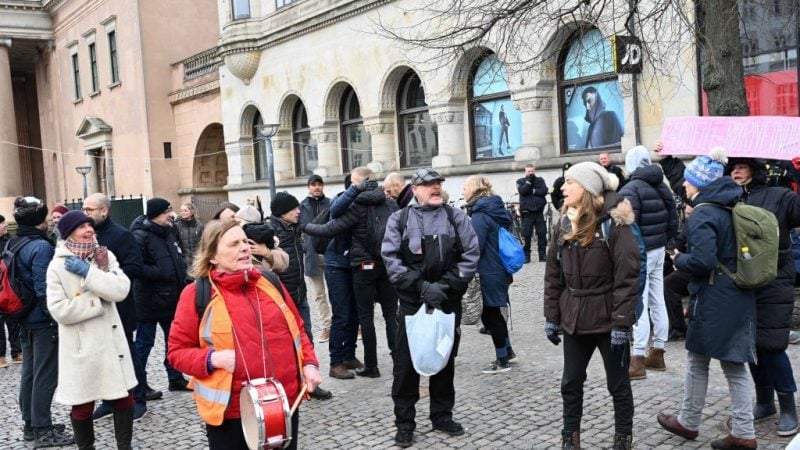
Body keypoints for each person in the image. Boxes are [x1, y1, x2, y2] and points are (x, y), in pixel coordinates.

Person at [167, 220, 321, 450]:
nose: (245, 248)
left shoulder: (270, 282)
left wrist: (310, 364)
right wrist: (212, 359)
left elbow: (298, 329)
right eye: (234, 244)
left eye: (246, 242)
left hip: (283, 404)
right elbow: (176, 353)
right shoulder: (196, 295)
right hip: (231, 414)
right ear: (212, 257)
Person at [657, 148, 758, 450]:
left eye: (688, 181)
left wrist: (679, 259)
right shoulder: (730, 204)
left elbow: (702, 261)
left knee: (711, 363)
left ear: (699, 182)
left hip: (715, 297)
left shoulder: (703, 212)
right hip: (735, 295)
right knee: (718, 362)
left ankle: (732, 430)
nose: (684, 186)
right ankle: (713, 425)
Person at [543, 162, 639, 450]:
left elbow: (628, 275)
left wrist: (622, 322)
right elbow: (553, 274)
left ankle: (623, 439)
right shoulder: (563, 223)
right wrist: (552, 316)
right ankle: (570, 438)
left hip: (608, 318)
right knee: (570, 383)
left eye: (569, 182)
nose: (563, 187)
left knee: (618, 384)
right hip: (574, 317)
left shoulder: (614, 224)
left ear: (586, 189)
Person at [382, 167, 480, 448]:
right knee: (405, 366)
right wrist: (422, 288)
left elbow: (471, 255)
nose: (435, 188)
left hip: (447, 302)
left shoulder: (456, 217)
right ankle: (404, 423)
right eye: (429, 184)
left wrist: (444, 287)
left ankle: (441, 415)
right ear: (415, 189)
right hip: (413, 304)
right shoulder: (398, 220)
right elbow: (391, 259)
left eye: (438, 183)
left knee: (444, 359)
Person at [46, 211, 136, 450]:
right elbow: (59, 310)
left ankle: (124, 446)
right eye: (81, 226)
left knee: (123, 398)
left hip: (111, 343)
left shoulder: (104, 257)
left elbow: (120, 291)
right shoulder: (57, 266)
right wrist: (96, 300)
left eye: (89, 225)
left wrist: (89, 273)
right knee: (83, 405)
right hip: (81, 348)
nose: (89, 230)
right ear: (68, 234)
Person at [726, 157, 800, 436]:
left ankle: (788, 406)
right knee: (751, 344)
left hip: (774, 279)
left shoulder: (780, 195)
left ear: (755, 170)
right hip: (742, 280)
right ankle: (765, 400)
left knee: (772, 345)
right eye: (732, 167)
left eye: (742, 166)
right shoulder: (728, 198)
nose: (736, 171)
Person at [303, 167, 398, 379]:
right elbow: (333, 219)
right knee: (342, 313)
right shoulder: (344, 200)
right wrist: (305, 227)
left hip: (357, 265)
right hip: (338, 263)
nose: (357, 186)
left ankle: (349, 355)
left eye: (360, 183)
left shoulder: (374, 203)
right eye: (354, 184)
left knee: (356, 313)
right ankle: (336, 361)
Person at [81, 193, 152, 421]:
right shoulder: (84, 236)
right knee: (103, 357)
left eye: (90, 209)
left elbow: (134, 267)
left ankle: (139, 399)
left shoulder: (121, 235)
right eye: (84, 209)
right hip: (94, 308)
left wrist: (108, 280)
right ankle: (109, 401)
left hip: (119, 306)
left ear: (104, 211)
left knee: (127, 353)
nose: (86, 213)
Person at [13, 196, 74, 447]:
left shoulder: (15, 243)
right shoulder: (41, 247)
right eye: (47, 218)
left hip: (23, 318)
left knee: (30, 373)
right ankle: (43, 429)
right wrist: (56, 317)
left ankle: (30, 424)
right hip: (41, 321)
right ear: (40, 221)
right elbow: (44, 289)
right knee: (45, 376)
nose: (50, 222)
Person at [619, 145, 678, 379]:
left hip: (640, 251)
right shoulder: (661, 185)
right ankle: (659, 351)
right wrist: (664, 241)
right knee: (657, 298)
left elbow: (626, 226)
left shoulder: (631, 189)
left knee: (639, 302)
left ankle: (638, 358)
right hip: (658, 248)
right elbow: (673, 220)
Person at [268, 192, 332, 400]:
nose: (298, 212)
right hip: (281, 297)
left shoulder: (295, 228)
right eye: (294, 209)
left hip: (299, 293)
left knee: (307, 340)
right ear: (282, 213)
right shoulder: (269, 233)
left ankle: (309, 382)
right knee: (283, 346)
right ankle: (285, 387)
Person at [130, 198, 190, 393]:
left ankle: (175, 377)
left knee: (172, 341)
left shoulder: (169, 231)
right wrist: (161, 272)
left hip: (172, 297)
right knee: (144, 343)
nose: (170, 215)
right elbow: (136, 267)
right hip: (148, 300)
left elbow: (178, 256)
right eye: (167, 212)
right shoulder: (140, 235)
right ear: (156, 214)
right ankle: (139, 384)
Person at [462, 175, 516, 374]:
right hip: (499, 268)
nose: (463, 192)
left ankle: (502, 360)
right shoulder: (495, 208)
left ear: (475, 189)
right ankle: (508, 351)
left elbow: (475, 246)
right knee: (495, 313)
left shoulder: (480, 214)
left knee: (490, 314)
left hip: (488, 271)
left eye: (465, 187)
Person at [300, 174, 333, 343]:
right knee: (319, 294)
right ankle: (327, 326)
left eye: (319, 184)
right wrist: (305, 247)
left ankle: (348, 325)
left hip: (330, 252)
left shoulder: (331, 203)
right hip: (312, 255)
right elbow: (299, 230)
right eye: (314, 184)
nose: (317, 187)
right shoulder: (302, 206)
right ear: (308, 187)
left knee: (337, 291)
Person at [0, 214, 22, 368]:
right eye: (2, 224)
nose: (5, 226)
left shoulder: (9, 241)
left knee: (13, 318)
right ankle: (0, 355)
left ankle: (17, 351)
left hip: (9, 284)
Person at [516, 163, 548, 263]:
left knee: (542, 233)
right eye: (528, 171)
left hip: (538, 212)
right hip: (527, 213)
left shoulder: (540, 180)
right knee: (527, 235)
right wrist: (529, 182)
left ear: (535, 171)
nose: (531, 173)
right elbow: (523, 191)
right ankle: (527, 256)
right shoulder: (520, 181)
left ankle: (542, 255)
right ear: (525, 172)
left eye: (532, 171)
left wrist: (533, 191)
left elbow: (544, 191)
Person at [175, 203, 204, 271]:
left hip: (197, 259)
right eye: (181, 211)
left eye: (185, 210)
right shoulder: (177, 226)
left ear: (192, 212)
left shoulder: (199, 226)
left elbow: (203, 242)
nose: (183, 213)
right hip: (184, 259)